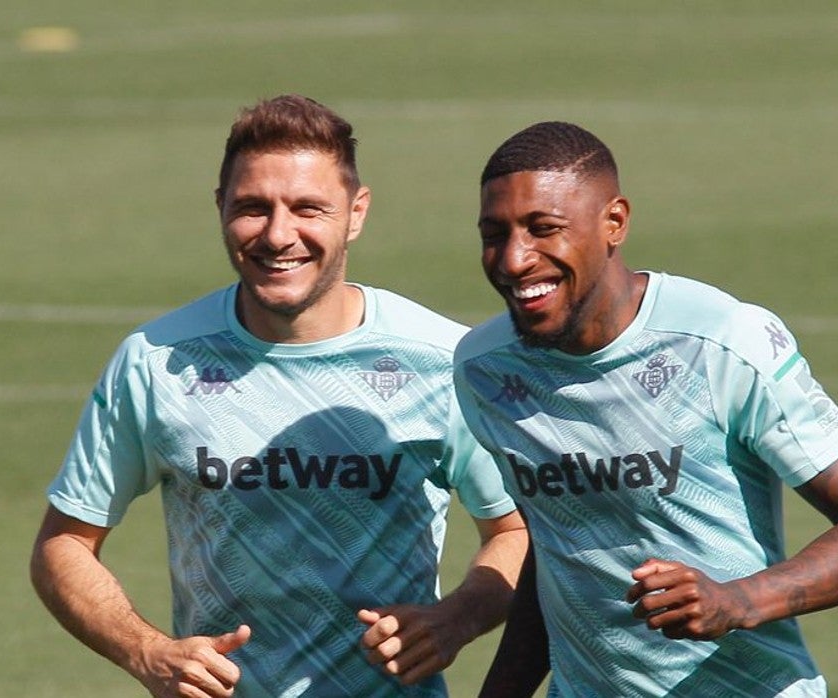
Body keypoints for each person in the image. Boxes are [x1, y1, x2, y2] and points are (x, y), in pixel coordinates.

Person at [29, 95, 527, 698]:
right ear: (220, 208)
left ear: (356, 213)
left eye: (307, 208)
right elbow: (64, 544)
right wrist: (148, 651)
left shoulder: (442, 361)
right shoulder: (156, 361)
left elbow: (517, 530)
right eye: (252, 208)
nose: (278, 234)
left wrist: (458, 618)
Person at [453, 121, 838, 697]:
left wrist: (736, 600)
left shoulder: (721, 342)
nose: (514, 259)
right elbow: (554, 558)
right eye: (494, 234)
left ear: (614, 222)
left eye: (543, 229)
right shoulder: (487, 370)